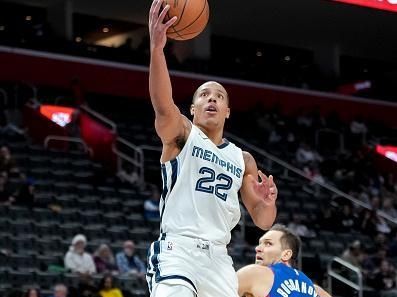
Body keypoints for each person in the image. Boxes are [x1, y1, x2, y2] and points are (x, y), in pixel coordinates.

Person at [146, 1, 278, 297]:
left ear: (227, 111)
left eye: (219, 96)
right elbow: (162, 103)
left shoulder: (242, 158)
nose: (212, 99)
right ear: (192, 108)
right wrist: (157, 49)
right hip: (178, 250)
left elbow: (262, 220)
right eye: (204, 94)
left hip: (219, 260)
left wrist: (266, 203)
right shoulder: (181, 133)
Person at [237, 224, 331, 297]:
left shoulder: (254, 273)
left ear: (286, 254)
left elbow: (222, 291)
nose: (257, 248)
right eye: (260, 243)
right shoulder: (316, 290)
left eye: (268, 243)